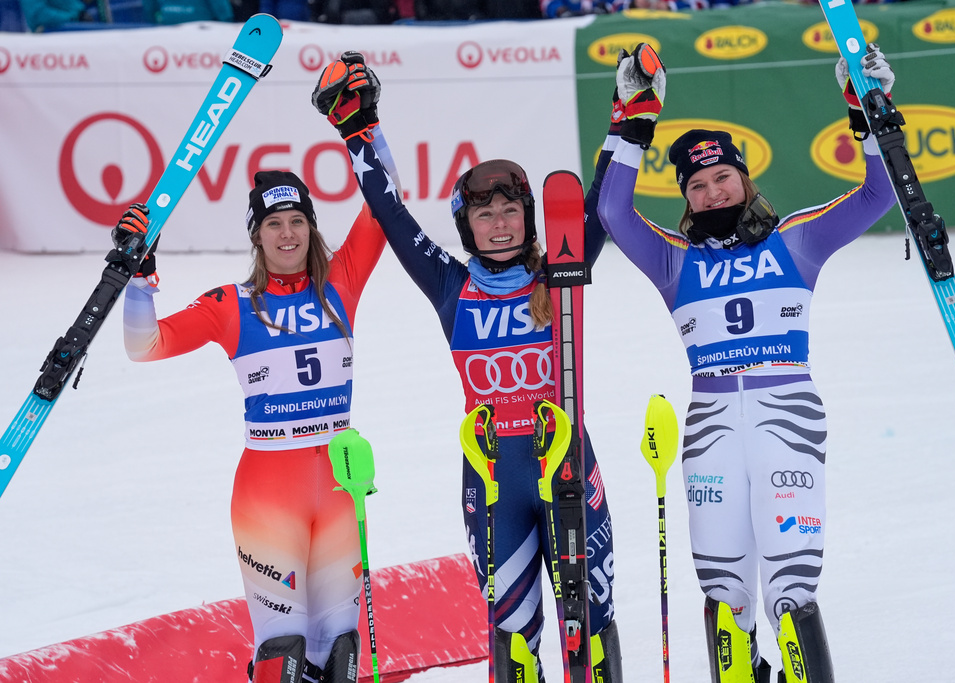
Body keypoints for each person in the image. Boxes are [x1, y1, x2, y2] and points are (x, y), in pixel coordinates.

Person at [309, 52, 623, 683]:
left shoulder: (559, 269)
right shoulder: (451, 287)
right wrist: (358, 131)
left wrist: (629, 123)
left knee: (589, 626)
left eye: (510, 212)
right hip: (492, 477)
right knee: (512, 635)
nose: (500, 225)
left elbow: (603, 205)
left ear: (529, 218)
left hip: (565, 464)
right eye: (485, 214)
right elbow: (392, 216)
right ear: (467, 227)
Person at [597, 44, 897, 682]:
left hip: (786, 415)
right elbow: (613, 212)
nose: (712, 192)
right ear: (687, 197)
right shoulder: (675, 259)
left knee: (790, 590)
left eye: (722, 178)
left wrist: (867, 110)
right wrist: (634, 121)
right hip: (710, 427)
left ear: (745, 178)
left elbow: (879, 194)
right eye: (697, 185)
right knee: (725, 595)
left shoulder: (798, 239)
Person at [115, 134, 391, 680]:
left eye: (297, 221)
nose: (287, 234)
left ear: (311, 227)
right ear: (256, 235)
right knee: (282, 652)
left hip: (339, 489)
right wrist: (139, 279)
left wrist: (366, 130)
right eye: (274, 224)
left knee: (340, 650)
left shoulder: (342, 281)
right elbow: (143, 346)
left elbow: (385, 204)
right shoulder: (231, 304)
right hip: (269, 497)